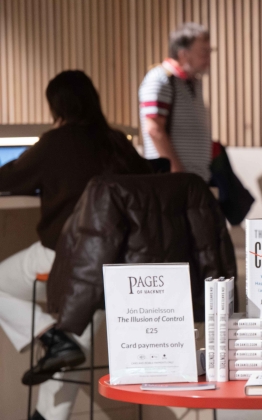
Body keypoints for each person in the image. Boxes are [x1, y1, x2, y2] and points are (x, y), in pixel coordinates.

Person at [0, 70, 152, 420]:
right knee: (77, 335)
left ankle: (49, 336)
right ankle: (56, 368)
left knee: (9, 289)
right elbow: (149, 176)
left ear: (56, 106)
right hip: (113, 265)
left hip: (65, 258)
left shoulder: (55, 143)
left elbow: (9, 179)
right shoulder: (116, 142)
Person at [139, 22, 212, 182]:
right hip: (173, 180)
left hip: (193, 179)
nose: (208, 58)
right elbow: (154, 129)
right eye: (203, 52)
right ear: (183, 54)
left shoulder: (193, 82)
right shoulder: (160, 78)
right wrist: (177, 171)